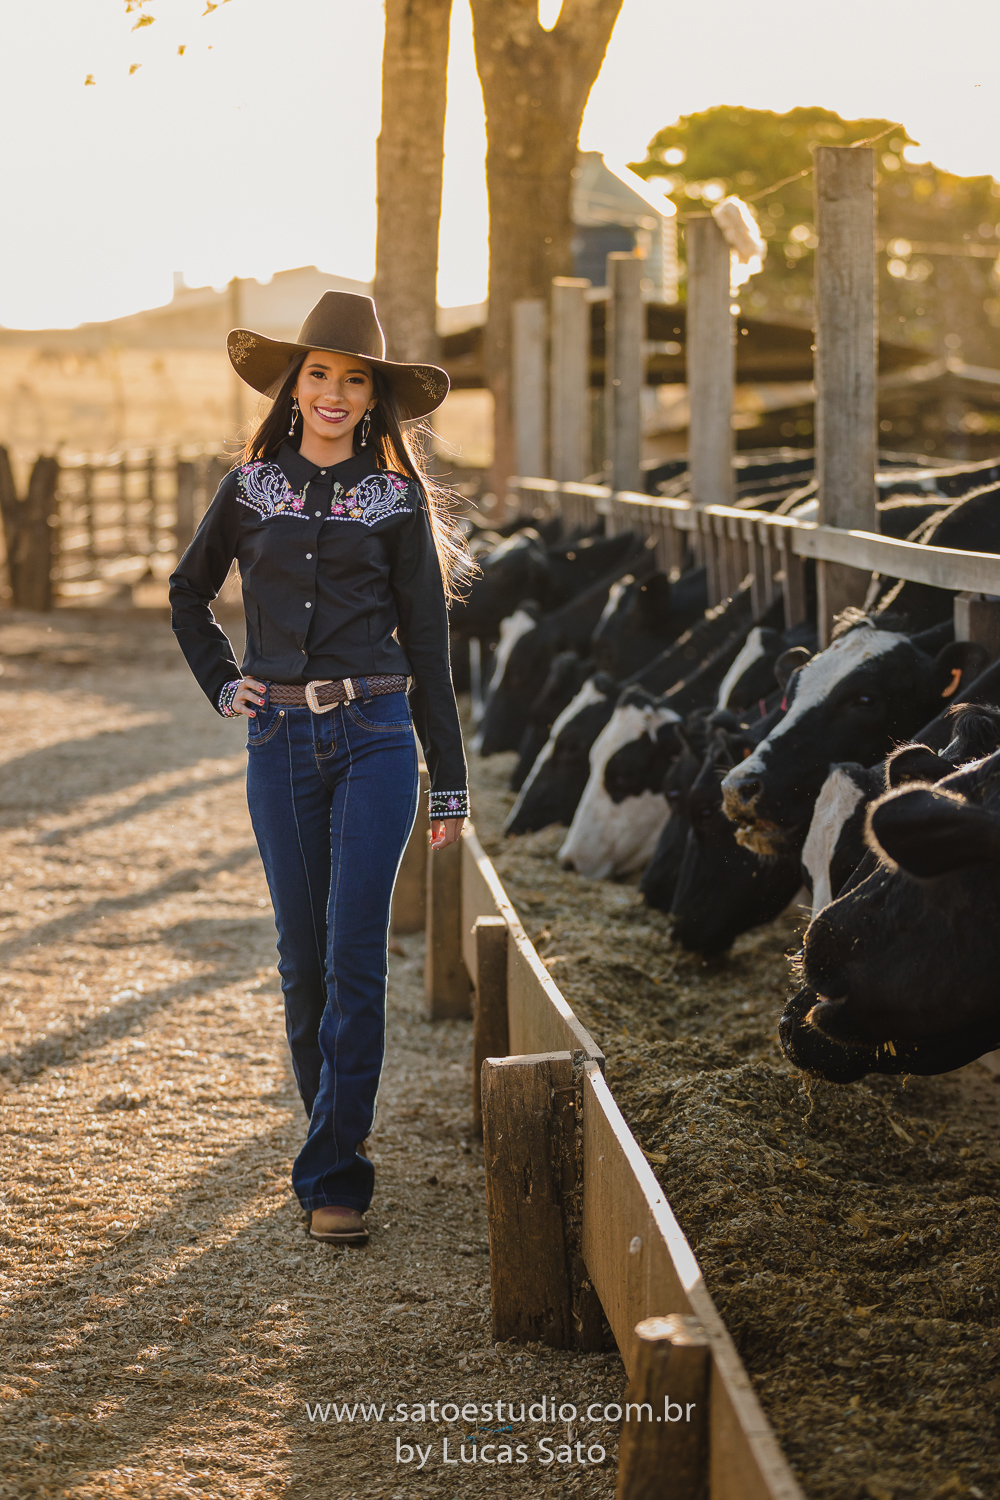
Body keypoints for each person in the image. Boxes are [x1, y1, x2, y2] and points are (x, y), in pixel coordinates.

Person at [169, 291, 469, 1247]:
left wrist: (449, 778)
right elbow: (187, 592)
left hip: (377, 733)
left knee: (354, 957)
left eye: (355, 380)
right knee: (303, 962)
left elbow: (430, 646)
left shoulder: (396, 500)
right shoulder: (250, 488)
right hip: (280, 742)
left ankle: (336, 1174)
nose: (335, 392)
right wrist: (225, 683)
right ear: (294, 387)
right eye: (320, 374)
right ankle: (331, 1127)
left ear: (375, 398)